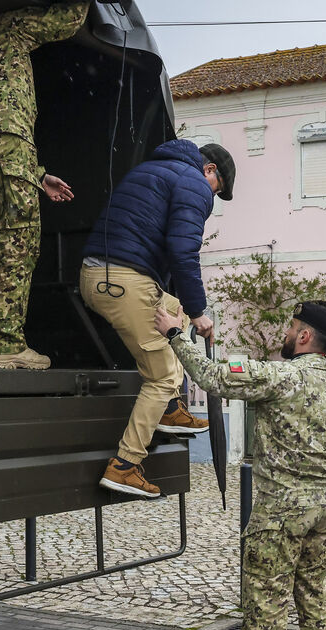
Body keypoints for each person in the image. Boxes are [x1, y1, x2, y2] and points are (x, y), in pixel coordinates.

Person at [154, 301, 326, 630]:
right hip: (323, 508)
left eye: (291, 325)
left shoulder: (285, 376)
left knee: (265, 611)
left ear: (304, 337)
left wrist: (175, 335)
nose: (286, 330)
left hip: (280, 513)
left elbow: (215, 379)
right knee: (315, 603)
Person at [81, 139, 236, 498]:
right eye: (219, 188)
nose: (213, 196)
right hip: (124, 280)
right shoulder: (195, 183)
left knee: (171, 309)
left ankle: (169, 411)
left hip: (98, 276)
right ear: (210, 170)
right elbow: (183, 251)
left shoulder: (153, 169)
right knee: (164, 375)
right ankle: (125, 466)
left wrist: (185, 308)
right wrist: (200, 314)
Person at [0, 2, 88, 371]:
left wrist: (37, 174)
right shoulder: (9, 27)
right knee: (16, 244)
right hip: (8, 145)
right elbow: (69, 19)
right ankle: (7, 345)